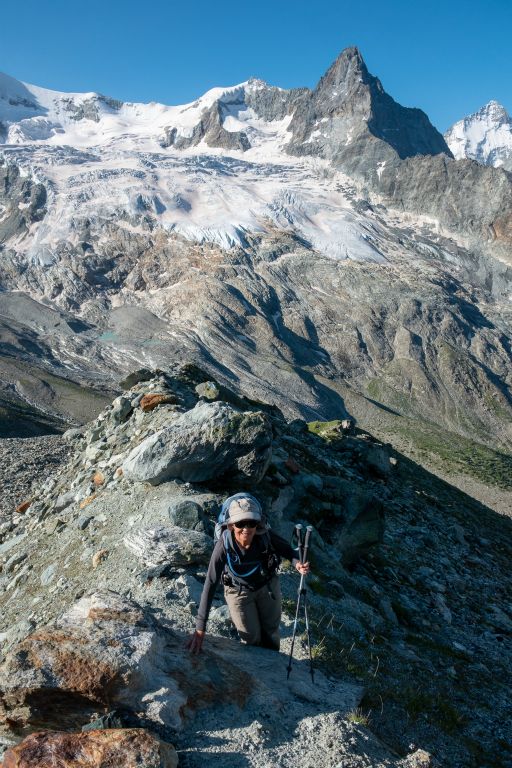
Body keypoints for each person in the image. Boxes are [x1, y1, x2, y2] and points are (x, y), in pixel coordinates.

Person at [187, 495, 309, 653]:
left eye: (251, 522)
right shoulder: (224, 544)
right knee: (251, 638)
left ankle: (273, 666)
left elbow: (287, 551)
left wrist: (297, 564)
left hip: (267, 586)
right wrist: (200, 627)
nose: (246, 528)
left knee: (271, 632)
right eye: (240, 523)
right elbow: (211, 582)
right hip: (238, 592)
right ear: (231, 525)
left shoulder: (264, 535)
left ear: (257, 524)